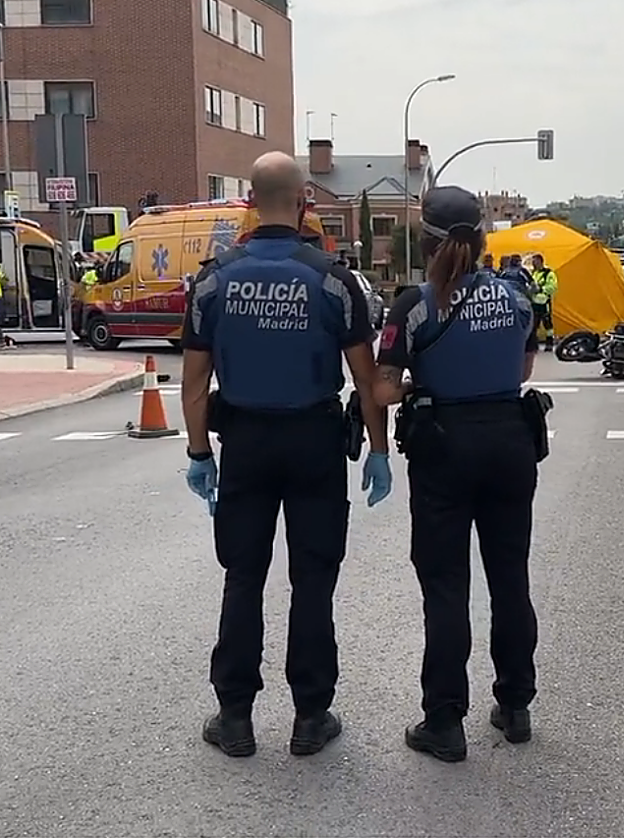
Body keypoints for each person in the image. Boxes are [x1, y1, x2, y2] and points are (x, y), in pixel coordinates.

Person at [180, 151, 393, 759]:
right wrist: (378, 449)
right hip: (314, 443)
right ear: (304, 203)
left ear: (250, 203)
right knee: (314, 580)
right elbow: (366, 377)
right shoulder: (334, 280)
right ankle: (310, 716)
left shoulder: (213, 281)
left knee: (243, 577)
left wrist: (200, 452)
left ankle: (235, 717)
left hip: (245, 443)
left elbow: (193, 383)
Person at [372, 185, 542, 763]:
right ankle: (515, 705)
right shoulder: (516, 296)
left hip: (444, 446)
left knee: (446, 586)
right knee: (510, 578)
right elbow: (523, 367)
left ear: (427, 240)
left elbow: (383, 389)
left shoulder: (415, 304)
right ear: (483, 238)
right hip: (510, 442)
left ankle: (444, 721)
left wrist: (418, 383)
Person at [528, 253, 558, 351]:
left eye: (535, 261)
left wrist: (541, 289)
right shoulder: (533, 273)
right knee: (534, 324)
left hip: (544, 302)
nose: (533, 263)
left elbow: (553, 287)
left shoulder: (548, 273)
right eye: (533, 262)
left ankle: (549, 343)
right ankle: (533, 344)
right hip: (534, 302)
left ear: (540, 261)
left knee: (547, 324)